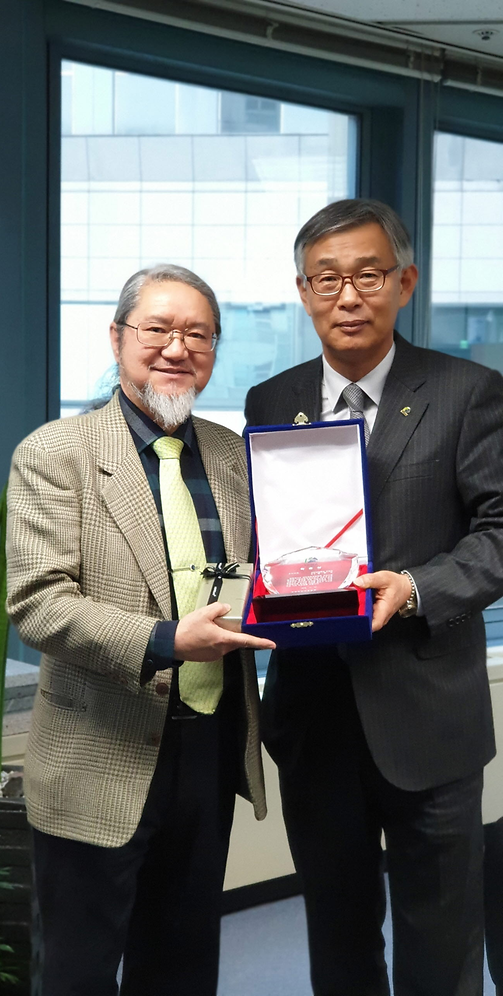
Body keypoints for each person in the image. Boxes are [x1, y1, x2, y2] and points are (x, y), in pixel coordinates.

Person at [244, 198, 503, 996]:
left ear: (405, 281)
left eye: (366, 275)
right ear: (303, 290)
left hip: (428, 718)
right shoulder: (269, 400)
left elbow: (499, 530)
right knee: (339, 934)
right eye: (327, 279)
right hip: (315, 720)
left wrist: (418, 585)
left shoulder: (469, 392)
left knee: (441, 939)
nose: (347, 295)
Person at [6, 264, 275, 996]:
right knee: (76, 973)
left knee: (183, 967)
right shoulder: (53, 452)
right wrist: (164, 641)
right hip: (100, 753)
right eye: (157, 329)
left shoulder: (230, 455)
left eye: (197, 333)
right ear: (119, 336)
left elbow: (263, 575)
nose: (176, 347)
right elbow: (38, 601)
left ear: (214, 349)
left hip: (209, 750)